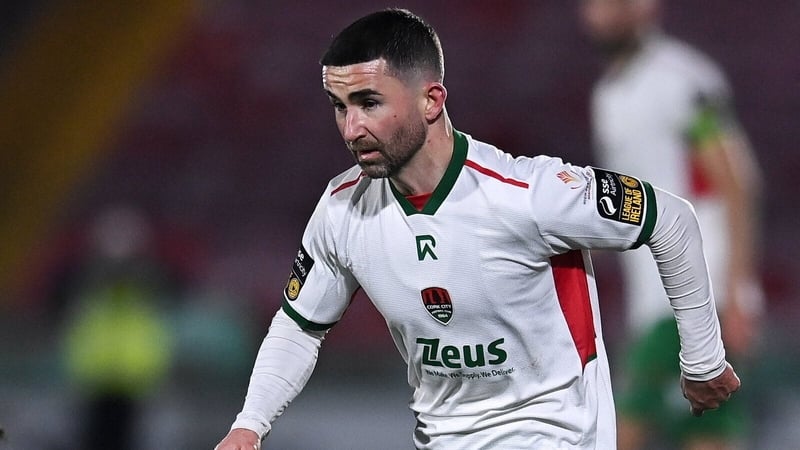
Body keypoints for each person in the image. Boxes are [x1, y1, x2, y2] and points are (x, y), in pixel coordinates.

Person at [216, 8, 741, 449]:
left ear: (431, 100)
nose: (352, 129)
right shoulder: (341, 211)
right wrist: (249, 425)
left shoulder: (531, 195)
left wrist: (702, 358)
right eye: (340, 107)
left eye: (369, 103)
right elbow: (299, 324)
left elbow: (670, 219)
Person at [578, 0, 764, 449]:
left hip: (701, 291)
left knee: (622, 431)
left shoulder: (681, 80)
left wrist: (738, 291)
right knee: (705, 435)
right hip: (654, 300)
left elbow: (737, 182)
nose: (608, 12)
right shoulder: (611, 94)